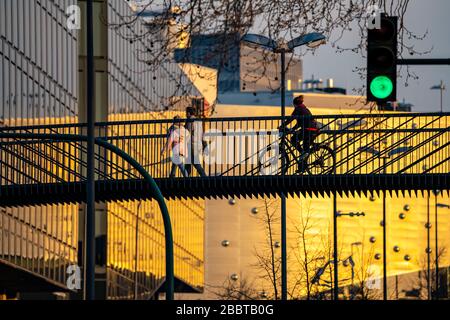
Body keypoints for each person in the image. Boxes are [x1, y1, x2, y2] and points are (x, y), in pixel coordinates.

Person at [184, 107, 207, 177]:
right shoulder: (198, 121)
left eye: (186, 112)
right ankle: (186, 177)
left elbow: (187, 132)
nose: (185, 114)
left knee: (195, 163)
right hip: (198, 143)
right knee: (188, 162)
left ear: (188, 113)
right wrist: (204, 144)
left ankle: (204, 176)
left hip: (192, 144)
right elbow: (202, 133)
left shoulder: (190, 120)